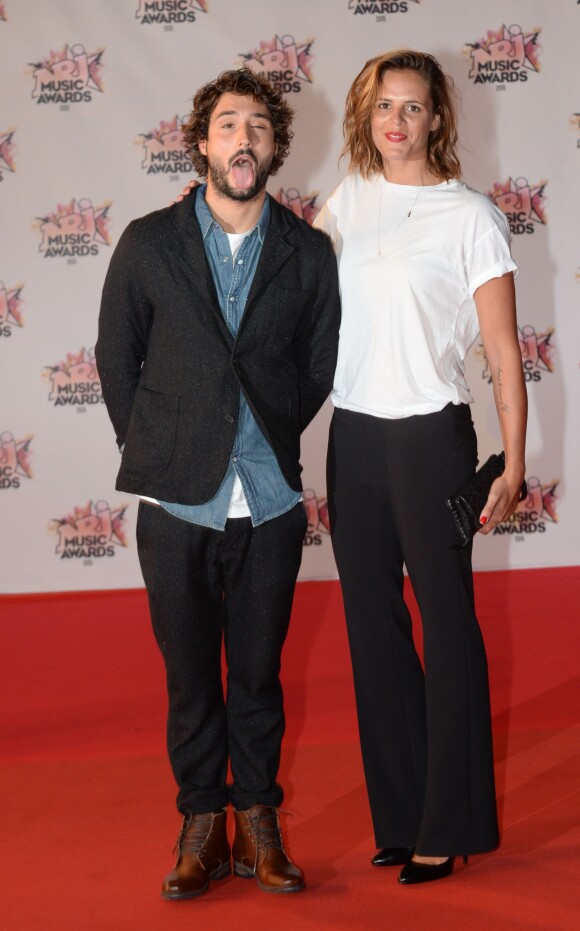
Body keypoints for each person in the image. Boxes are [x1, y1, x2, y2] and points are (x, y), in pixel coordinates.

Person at [95, 68, 340, 899]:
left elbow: (316, 366)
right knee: (191, 673)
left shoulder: (308, 252)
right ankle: (202, 820)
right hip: (175, 502)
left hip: (269, 501)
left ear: (274, 150)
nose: (244, 140)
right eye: (228, 125)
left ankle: (259, 823)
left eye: (259, 128)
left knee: (260, 674)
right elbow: (114, 358)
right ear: (202, 143)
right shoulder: (146, 241)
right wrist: (159, 445)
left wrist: (265, 435)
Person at [314, 50, 527, 884]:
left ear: (438, 117)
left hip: (432, 438)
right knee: (373, 632)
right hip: (354, 439)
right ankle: (401, 818)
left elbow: (506, 355)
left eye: (412, 106)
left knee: (449, 627)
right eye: (382, 107)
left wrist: (511, 459)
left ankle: (455, 818)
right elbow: (287, 283)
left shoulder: (470, 214)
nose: (396, 121)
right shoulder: (347, 202)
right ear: (366, 116)